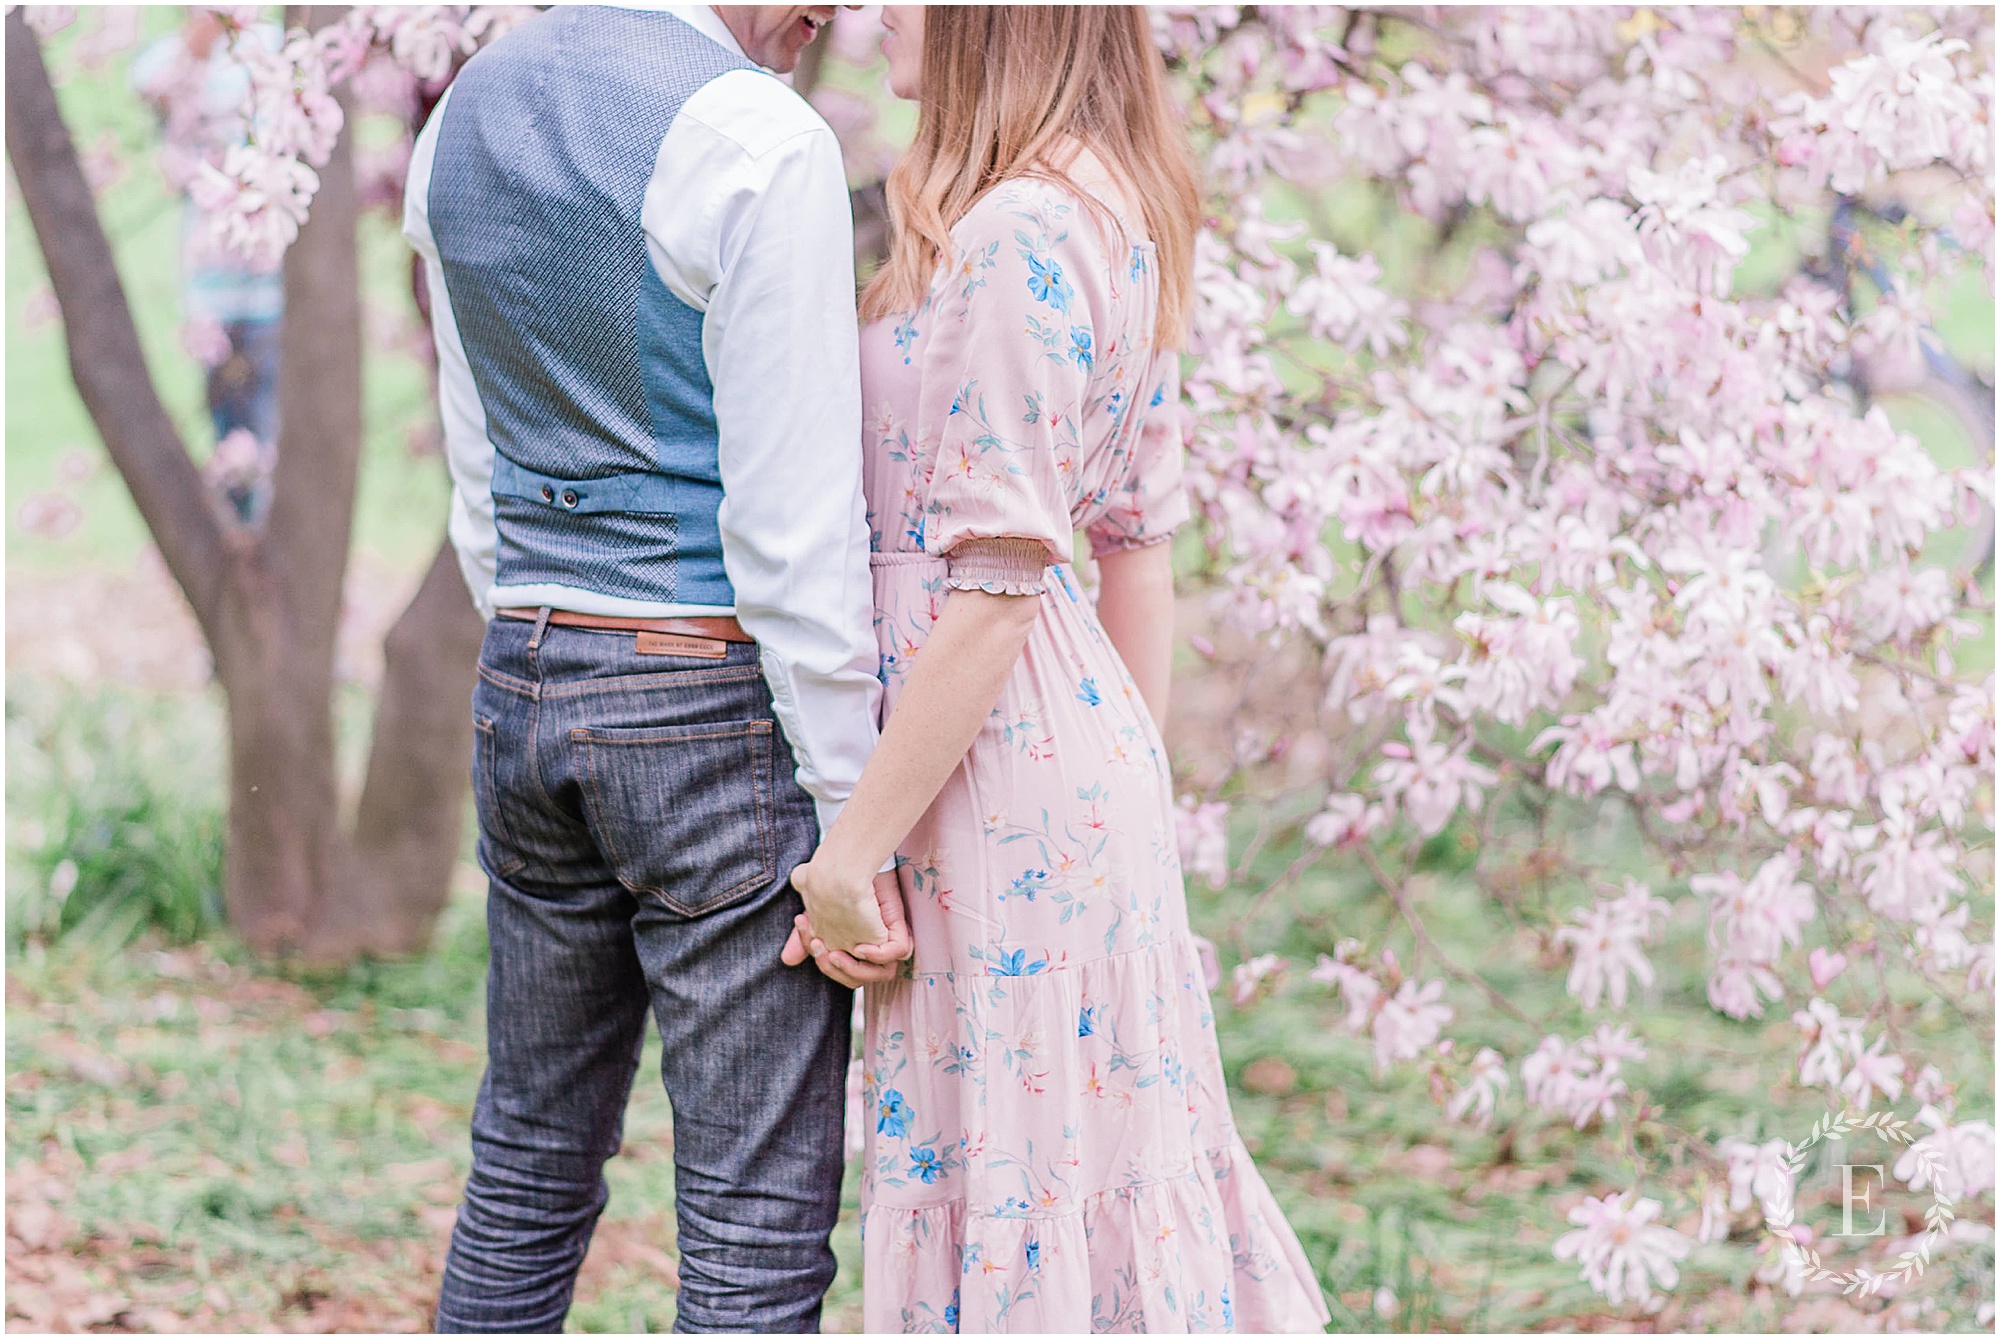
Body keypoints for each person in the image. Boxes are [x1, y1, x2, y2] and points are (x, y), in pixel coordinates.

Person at [782, 7, 1336, 1332]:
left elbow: (998, 579)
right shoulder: (1101, 203)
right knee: (1051, 1161)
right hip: (1052, 760)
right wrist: (1120, 807)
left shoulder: (1021, 229)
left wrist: (852, 852)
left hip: (988, 756)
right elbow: (1131, 539)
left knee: (1024, 1167)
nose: (870, 16)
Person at [400, 5, 909, 1332]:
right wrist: (857, 812)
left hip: (527, 666)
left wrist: (542, 644)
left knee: (523, 1166)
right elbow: (792, 533)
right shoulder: (758, 138)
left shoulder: (461, 116)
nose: (837, 14)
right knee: (751, 1223)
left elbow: (477, 465)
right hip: (706, 696)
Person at [131, 10, 283, 523]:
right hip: (209, 284)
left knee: (271, 410)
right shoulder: (175, 58)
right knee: (225, 413)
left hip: (272, 277)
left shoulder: (272, 49)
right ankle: (239, 527)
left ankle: (271, 526)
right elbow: (150, 90)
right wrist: (194, 47)